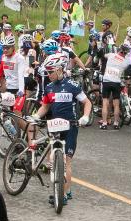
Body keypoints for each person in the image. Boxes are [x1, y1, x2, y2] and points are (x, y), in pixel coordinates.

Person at [31, 53, 92, 205]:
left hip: (71, 126)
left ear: (59, 70)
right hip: (55, 126)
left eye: (50, 71)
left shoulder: (73, 85)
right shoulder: (49, 87)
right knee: (53, 159)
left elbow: (87, 102)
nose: (48, 75)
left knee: (67, 161)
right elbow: (45, 107)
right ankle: (65, 189)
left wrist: (85, 116)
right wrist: (36, 116)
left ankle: (63, 195)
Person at [99, 43, 130, 129]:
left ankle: (104, 123)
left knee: (105, 102)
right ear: (126, 53)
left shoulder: (111, 55)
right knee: (116, 104)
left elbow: (103, 55)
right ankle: (116, 123)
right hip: (116, 82)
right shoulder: (125, 62)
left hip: (106, 81)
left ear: (119, 49)